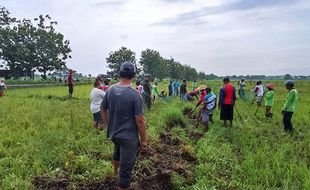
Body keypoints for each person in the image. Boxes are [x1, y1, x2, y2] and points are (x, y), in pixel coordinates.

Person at [101, 61, 147, 190]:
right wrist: (143, 141)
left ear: (120, 73)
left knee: (117, 153)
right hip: (129, 138)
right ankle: (121, 182)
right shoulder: (134, 94)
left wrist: (107, 125)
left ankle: (115, 174)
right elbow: (140, 120)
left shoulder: (111, 90)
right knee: (126, 171)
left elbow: (102, 108)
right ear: (133, 75)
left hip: (114, 134)